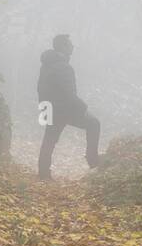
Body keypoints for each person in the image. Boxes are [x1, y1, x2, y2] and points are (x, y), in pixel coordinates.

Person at [36, 34, 100, 180]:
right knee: (94, 123)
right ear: (63, 47)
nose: (72, 46)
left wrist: (44, 108)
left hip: (49, 108)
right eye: (69, 44)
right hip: (63, 110)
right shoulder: (63, 67)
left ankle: (43, 173)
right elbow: (69, 94)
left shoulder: (46, 64)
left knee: (49, 139)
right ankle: (93, 162)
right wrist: (83, 107)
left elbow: (40, 88)